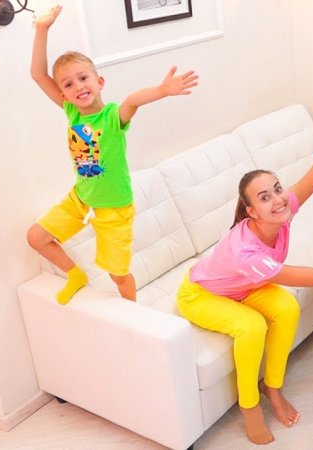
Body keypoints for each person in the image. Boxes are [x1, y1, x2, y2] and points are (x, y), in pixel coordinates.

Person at [176, 64, 313, 445]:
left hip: (243, 287)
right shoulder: (248, 254)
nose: (278, 199)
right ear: (251, 211)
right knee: (251, 327)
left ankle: (273, 387)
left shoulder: (281, 212)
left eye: (277, 189)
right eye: (264, 197)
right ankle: (250, 407)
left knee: (285, 306)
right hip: (202, 295)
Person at [26, 5, 199, 304]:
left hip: (115, 208)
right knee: (36, 237)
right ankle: (75, 275)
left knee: (118, 275)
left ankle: (132, 312)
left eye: (83, 78)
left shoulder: (112, 117)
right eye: (68, 84)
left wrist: (162, 89)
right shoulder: (71, 112)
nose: (78, 87)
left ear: (99, 82)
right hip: (81, 197)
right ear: (64, 95)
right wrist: (42, 29)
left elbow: (132, 101)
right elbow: (39, 75)